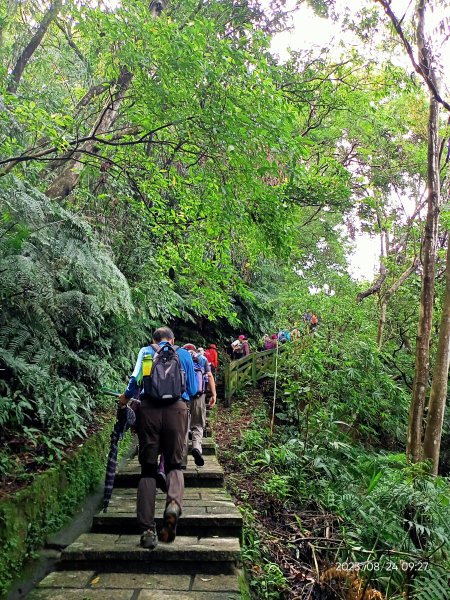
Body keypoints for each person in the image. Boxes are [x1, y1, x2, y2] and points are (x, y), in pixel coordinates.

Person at [119, 327, 197, 550]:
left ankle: (147, 530)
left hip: (149, 411)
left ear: (153, 340)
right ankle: (173, 504)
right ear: (173, 340)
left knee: (148, 470)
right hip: (177, 411)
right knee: (174, 465)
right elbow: (192, 389)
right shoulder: (182, 354)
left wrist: (124, 399)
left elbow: (136, 382)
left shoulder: (146, 352)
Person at [183, 344, 217, 467]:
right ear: (194, 350)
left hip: (183, 397)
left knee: (183, 426)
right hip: (199, 396)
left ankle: (182, 460)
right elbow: (209, 376)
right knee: (198, 425)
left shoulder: (181, 357)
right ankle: (196, 447)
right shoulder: (202, 359)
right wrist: (213, 394)